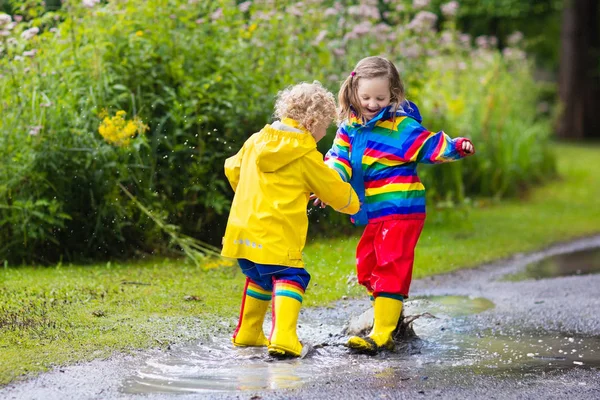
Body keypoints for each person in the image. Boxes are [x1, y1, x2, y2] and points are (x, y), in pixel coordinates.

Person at [320, 56, 475, 354]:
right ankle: (388, 315)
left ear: (393, 95)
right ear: (353, 92)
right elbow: (337, 159)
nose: (373, 103)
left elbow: (430, 145)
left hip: (402, 209)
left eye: (381, 97)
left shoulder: (400, 127)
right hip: (374, 211)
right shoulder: (349, 128)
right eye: (365, 97)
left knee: (390, 264)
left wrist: (457, 146)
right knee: (367, 265)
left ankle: (382, 333)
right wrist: (327, 184)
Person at [221, 81, 360, 358]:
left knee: (260, 278)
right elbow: (331, 187)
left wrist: (252, 191)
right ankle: (284, 337)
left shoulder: (255, 140)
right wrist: (353, 204)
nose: (323, 134)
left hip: (243, 234)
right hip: (277, 236)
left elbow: (231, 168)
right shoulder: (305, 154)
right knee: (291, 276)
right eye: (324, 128)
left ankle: (249, 332)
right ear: (311, 122)